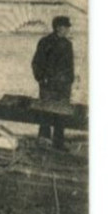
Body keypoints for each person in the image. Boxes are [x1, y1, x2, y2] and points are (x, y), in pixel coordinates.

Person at [31, 15, 76, 149]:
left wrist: (70, 80)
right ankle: (44, 142)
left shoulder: (68, 44)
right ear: (58, 28)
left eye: (68, 27)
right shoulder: (45, 42)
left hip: (63, 87)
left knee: (61, 115)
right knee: (46, 113)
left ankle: (58, 144)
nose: (68, 30)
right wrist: (41, 79)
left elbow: (70, 66)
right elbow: (36, 63)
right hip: (48, 86)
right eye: (66, 27)